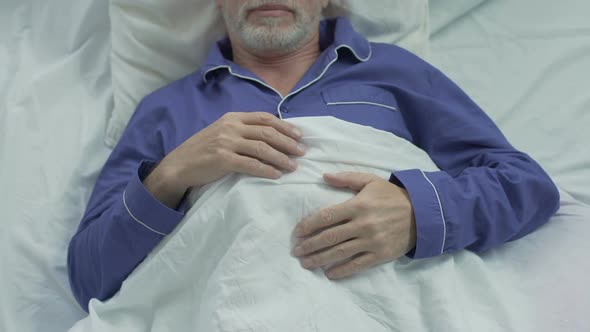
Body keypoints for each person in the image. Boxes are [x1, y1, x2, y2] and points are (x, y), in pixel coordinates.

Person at [67, 0, 560, 312]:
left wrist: (417, 212)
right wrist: (172, 173)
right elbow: (90, 277)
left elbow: (525, 185)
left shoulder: (395, 72)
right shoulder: (167, 108)